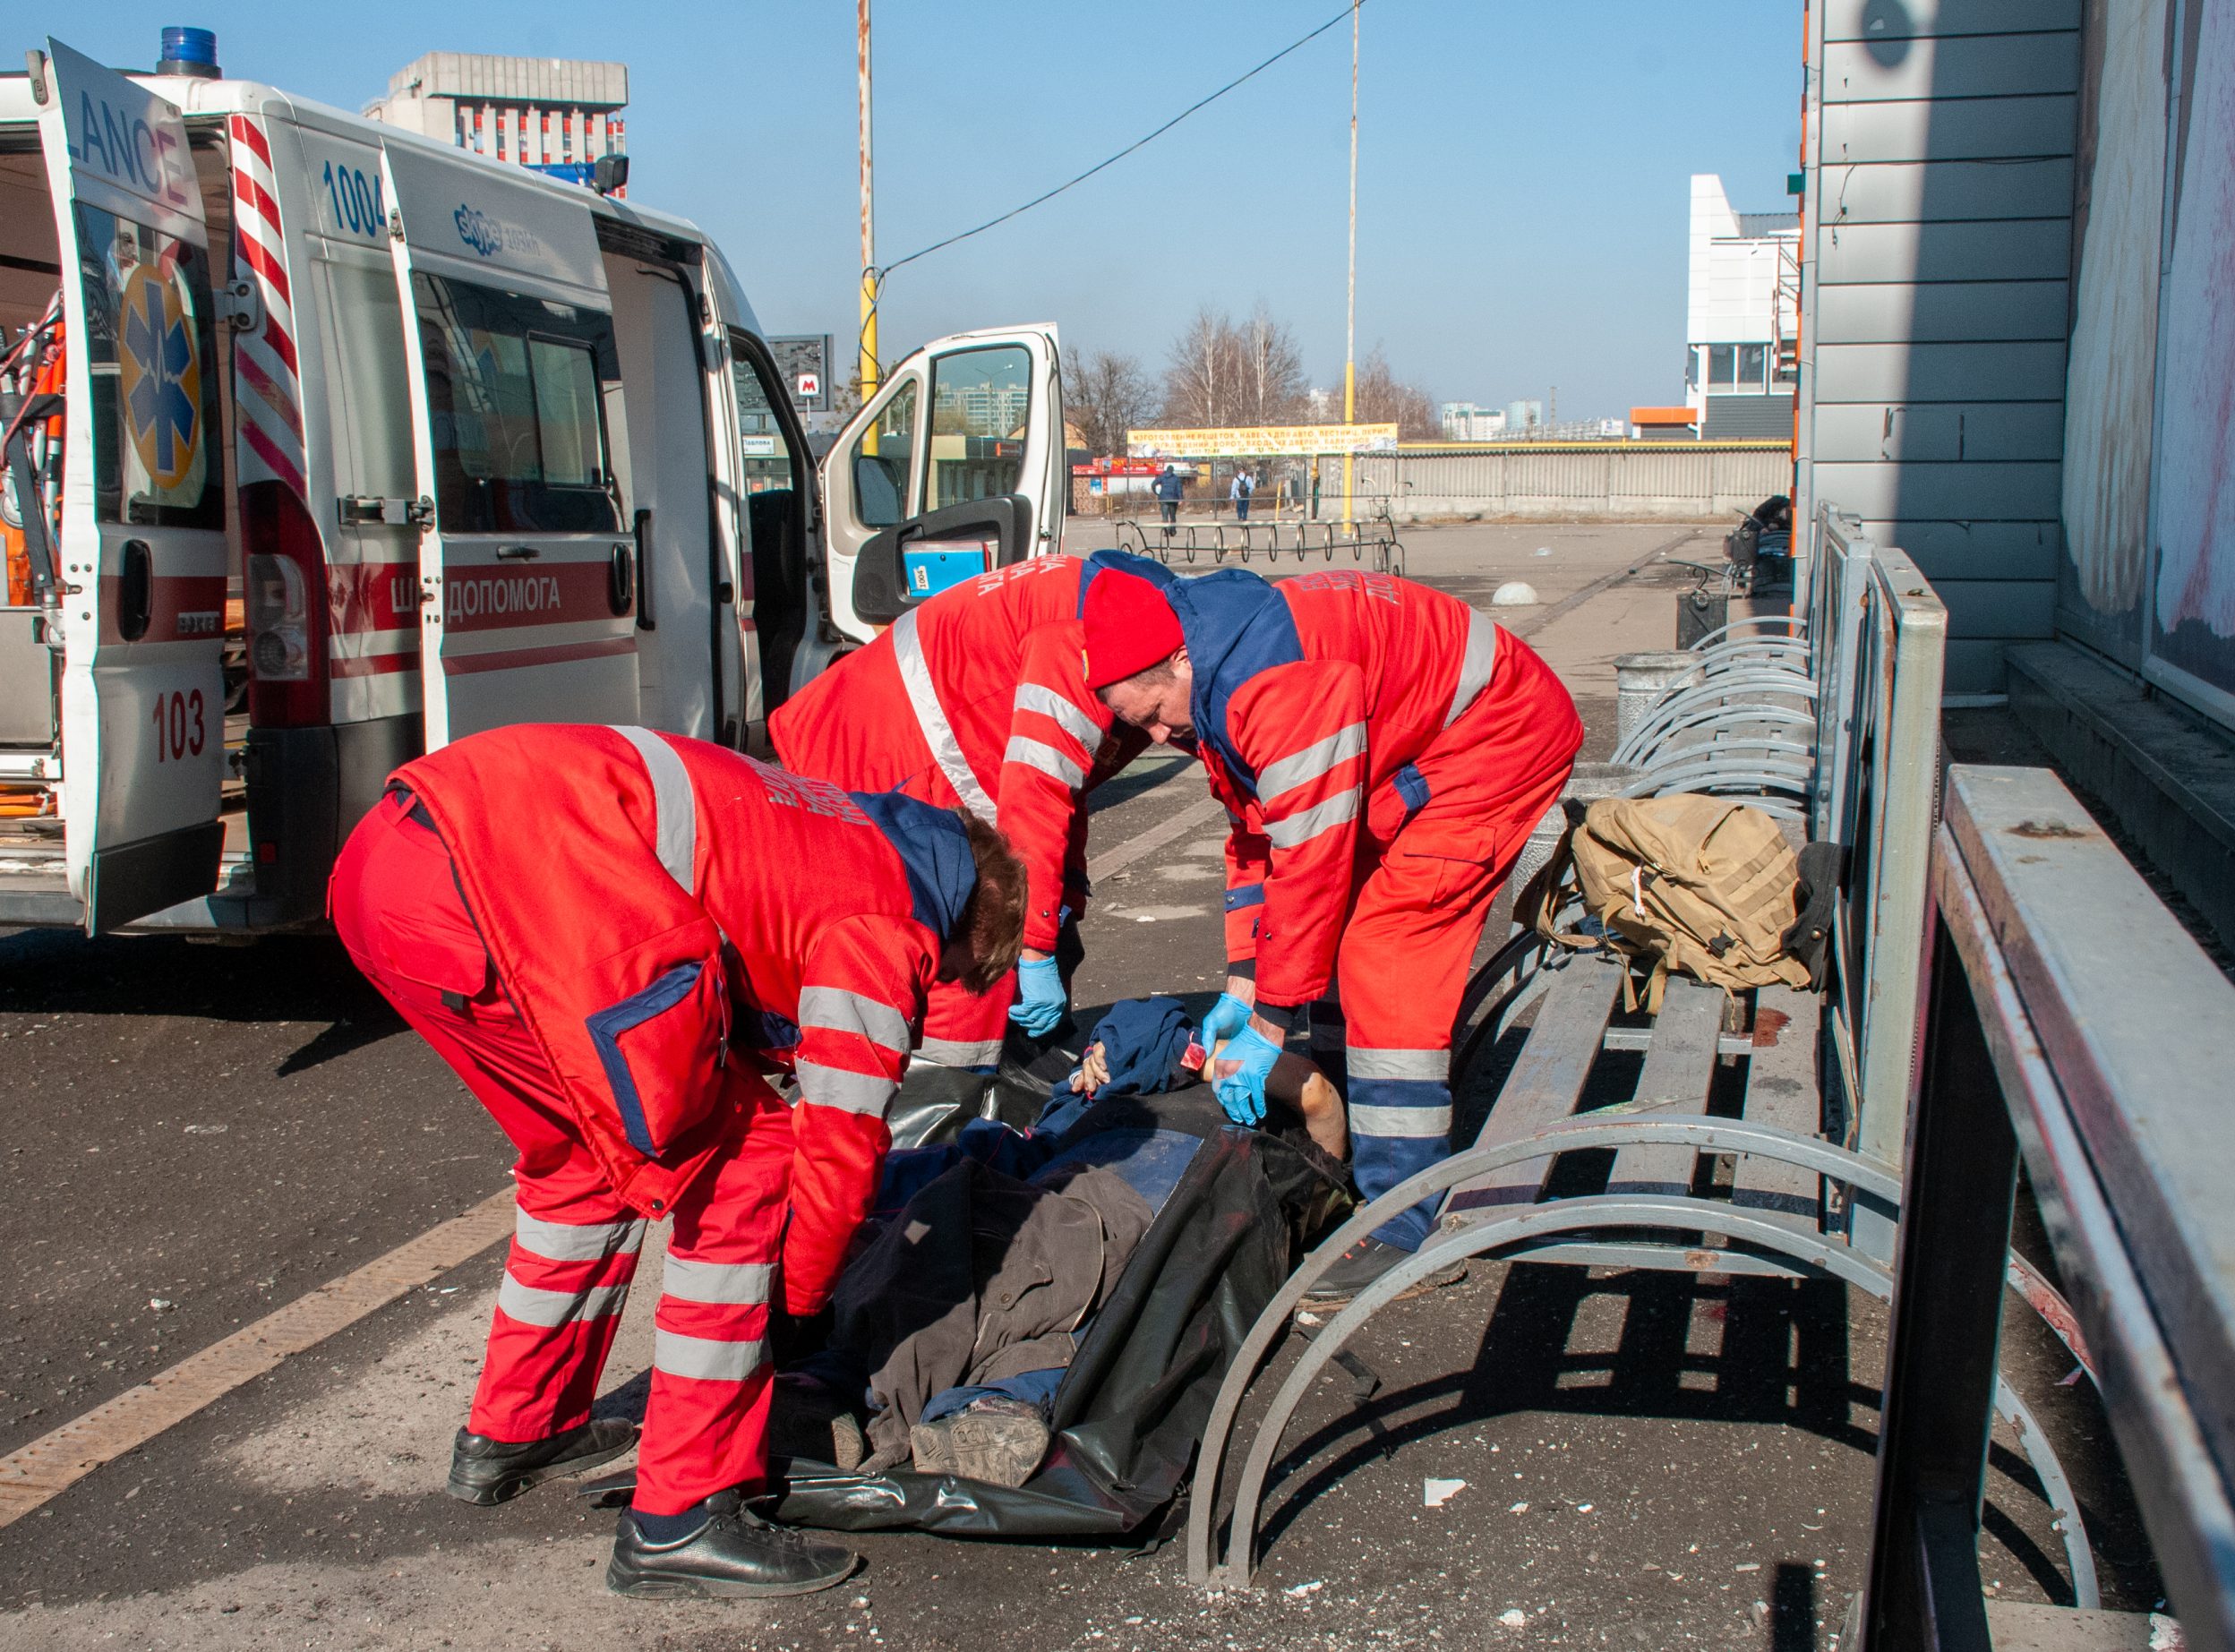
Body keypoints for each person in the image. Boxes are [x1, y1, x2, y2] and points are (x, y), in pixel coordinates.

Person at [328, 724, 1026, 1598]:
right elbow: (837, 1145)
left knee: (580, 1157)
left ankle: (519, 1426)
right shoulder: (891, 914)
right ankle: (682, 1514)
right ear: (968, 921)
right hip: (513, 874)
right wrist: (799, 1306)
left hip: (389, 869)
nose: (932, 995)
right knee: (748, 1167)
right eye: (950, 974)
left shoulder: (830, 829)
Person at [1077, 552, 1583, 1305]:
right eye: (1136, 724)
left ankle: (1403, 1222)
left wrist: (1272, 1022)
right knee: (1333, 929)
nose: (1153, 737)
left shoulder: (1270, 686)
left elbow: (1308, 863)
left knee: (1387, 949)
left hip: (1494, 742)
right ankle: (1356, 1126)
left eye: (1152, 713)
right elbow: (1258, 835)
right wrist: (1246, 981)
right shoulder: (1215, 673)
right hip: (1425, 746)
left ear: (1180, 657)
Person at [769, 555, 1151, 1094]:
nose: (1162, 737)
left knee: (999, 918)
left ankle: (952, 1089)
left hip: (908, 734)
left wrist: (1066, 896)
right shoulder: (1087, 642)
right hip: (890, 752)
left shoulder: (1122, 623)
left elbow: (1065, 786)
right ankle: (936, 1104)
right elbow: (1036, 795)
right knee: (957, 930)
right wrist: (1038, 944)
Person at [1152, 464, 1183, 541]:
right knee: (1172, 516)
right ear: (1172, 471)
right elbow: (1179, 489)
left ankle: (1166, 531)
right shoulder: (1176, 478)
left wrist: (1156, 493)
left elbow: (1153, 484)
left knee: (1165, 517)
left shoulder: (1162, 476)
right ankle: (1173, 531)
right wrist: (1180, 499)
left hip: (1163, 499)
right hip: (1173, 500)